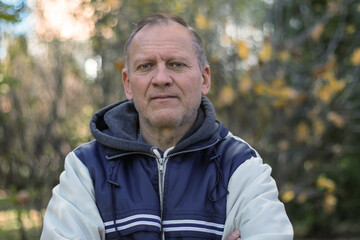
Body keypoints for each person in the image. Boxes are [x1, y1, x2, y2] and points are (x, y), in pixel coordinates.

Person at [41, 13, 293, 240]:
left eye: (176, 64)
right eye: (146, 66)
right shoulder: (86, 169)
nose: (161, 79)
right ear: (128, 84)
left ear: (205, 78)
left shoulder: (240, 166)